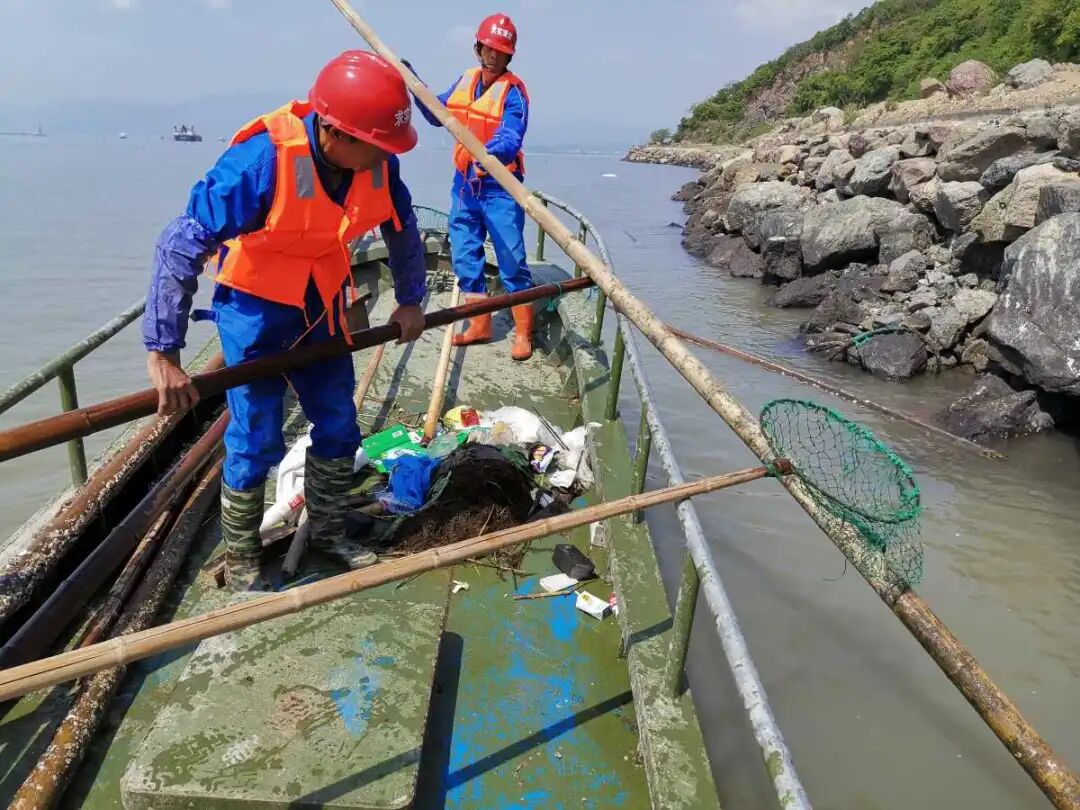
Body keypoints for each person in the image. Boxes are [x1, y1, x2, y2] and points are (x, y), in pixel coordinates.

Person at [142, 51, 428, 591]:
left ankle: (328, 532)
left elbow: (402, 227)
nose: (386, 156)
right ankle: (242, 554)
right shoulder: (261, 163)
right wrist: (164, 352)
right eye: (377, 145)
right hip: (256, 309)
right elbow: (179, 245)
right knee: (254, 438)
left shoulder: (378, 163)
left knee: (339, 423)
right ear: (335, 133)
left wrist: (411, 299)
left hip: (321, 305)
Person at [411, 13, 534, 360]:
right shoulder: (465, 80)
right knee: (465, 253)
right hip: (465, 185)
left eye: (500, 51)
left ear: (509, 56)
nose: (493, 55)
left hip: (499, 185)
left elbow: (511, 134)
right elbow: (436, 113)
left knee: (511, 259)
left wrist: (490, 153)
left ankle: (523, 332)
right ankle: (479, 324)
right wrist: (415, 86)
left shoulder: (514, 92)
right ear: (478, 48)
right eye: (488, 48)